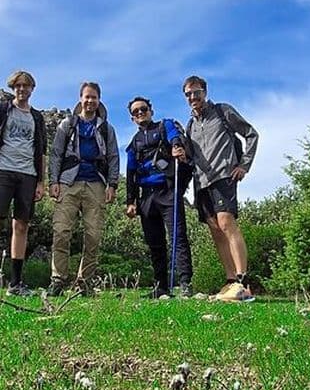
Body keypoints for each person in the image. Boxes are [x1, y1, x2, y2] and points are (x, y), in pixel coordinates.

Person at [179, 75, 259, 302]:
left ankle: (243, 282)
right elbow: (192, 158)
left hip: (224, 176)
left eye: (196, 92)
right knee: (214, 229)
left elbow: (251, 134)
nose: (193, 97)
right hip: (201, 182)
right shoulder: (190, 126)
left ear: (204, 92)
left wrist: (244, 165)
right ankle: (230, 280)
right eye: (188, 94)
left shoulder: (223, 111)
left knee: (226, 223)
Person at [0, 70, 47, 297]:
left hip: (28, 175)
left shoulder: (37, 117)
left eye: (26, 86)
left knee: (21, 225)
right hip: (2, 171)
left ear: (32, 88)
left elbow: (41, 151)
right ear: (13, 88)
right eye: (17, 86)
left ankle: (16, 284)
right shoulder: (1, 109)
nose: (22, 89)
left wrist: (41, 181)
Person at [47, 82, 119, 296]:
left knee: (94, 235)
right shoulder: (67, 124)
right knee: (61, 231)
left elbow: (114, 157)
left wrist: (112, 184)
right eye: (87, 97)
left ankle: (84, 282)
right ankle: (58, 279)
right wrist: (54, 181)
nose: (90, 101)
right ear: (80, 99)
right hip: (68, 182)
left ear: (99, 100)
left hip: (96, 183)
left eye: (94, 97)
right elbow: (56, 153)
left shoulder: (107, 128)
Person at [125, 96, 194, 298]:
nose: (140, 113)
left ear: (150, 110)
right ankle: (161, 287)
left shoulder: (165, 125)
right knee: (155, 243)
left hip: (168, 191)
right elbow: (130, 174)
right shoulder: (133, 144)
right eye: (135, 112)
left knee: (178, 238)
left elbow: (175, 137)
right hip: (146, 198)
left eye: (143, 109)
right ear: (132, 118)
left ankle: (185, 284)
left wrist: (175, 145)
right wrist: (130, 201)